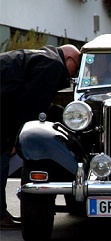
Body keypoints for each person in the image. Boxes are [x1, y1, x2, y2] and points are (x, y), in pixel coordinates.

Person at [0, 44, 81, 229]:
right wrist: (14, 138)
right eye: (75, 68)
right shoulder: (54, 65)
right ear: (69, 59)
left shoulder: (42, 56)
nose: (72, 76)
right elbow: (32, 106)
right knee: (2, 158)